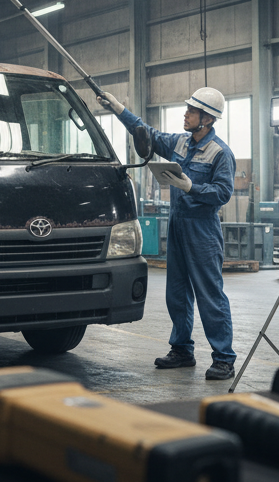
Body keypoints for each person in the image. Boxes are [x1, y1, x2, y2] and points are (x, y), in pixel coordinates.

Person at [98, 87, 237, 380]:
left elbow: (223, 193)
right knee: (177, 292)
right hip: (177, 224)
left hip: (203, 229)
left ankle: (224, 358)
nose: (185, 114)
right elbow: (146, 133)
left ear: (207, 119)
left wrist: (191, 187)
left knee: (210, 294)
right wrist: (119, 110)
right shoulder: (180, 142)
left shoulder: (220, 153)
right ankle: (182, 350)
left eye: (192, 111)